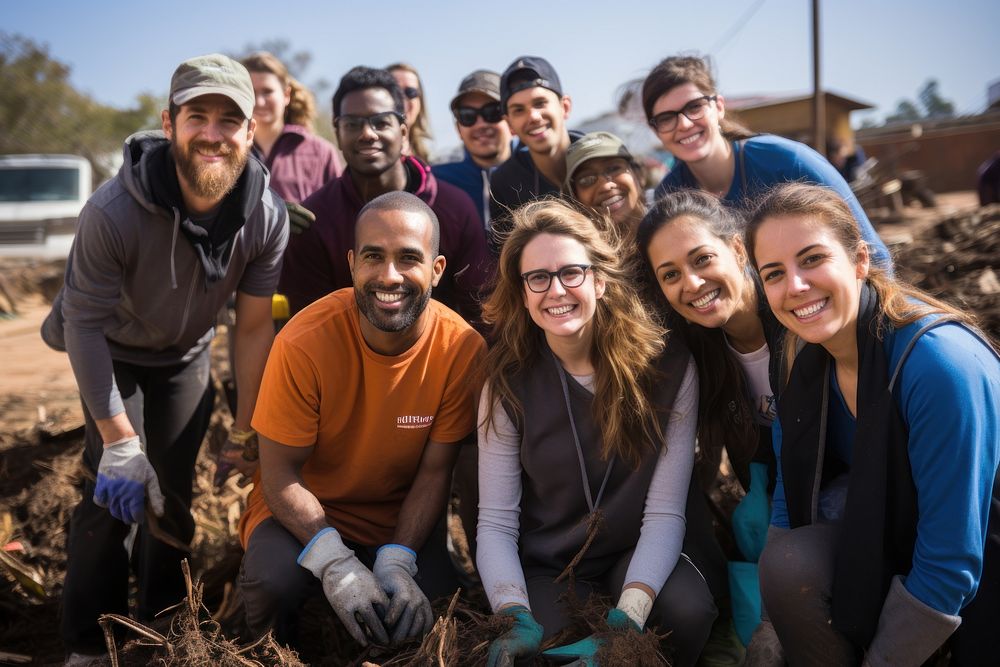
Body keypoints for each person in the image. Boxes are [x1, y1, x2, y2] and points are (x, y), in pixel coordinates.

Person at [40, 54, 288, 664]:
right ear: (169, 122)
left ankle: (162, 630)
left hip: (185, 354)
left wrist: (248, 425)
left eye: (229, 120)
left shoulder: (265, 216)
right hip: (111, 348)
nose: (212, 132)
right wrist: (120, 440)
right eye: (196, 115)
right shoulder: (112, 212)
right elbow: (84, 324)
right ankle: (87, 640)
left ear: (250, 132)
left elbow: (253, 329)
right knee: (113, 487)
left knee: (172, 488)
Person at [744, 183, 999, 666]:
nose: (795, 286)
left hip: (980, 546)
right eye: (774, 273)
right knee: (788, 564)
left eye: (813, 259)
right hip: (895, 526)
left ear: (860, 261)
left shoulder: (937, 364)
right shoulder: (803, 358)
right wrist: (771, 621)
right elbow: (787, 502)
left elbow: (951, 558)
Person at [239, 191, 486, 649]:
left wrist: (398, 559)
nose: (389, 275)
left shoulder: (462, 350)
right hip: (303, 512)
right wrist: (336, 562)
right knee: (272, 585)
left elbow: (435, 473)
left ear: (437, 270)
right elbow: (278, 475)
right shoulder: (303, 342)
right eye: (374, 256)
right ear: (353, 263)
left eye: (408, 258)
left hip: (398, 517)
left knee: (434, 615)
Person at [476, 199, 716, 667]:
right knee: (542, 648)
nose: (556, 290)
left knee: (685, 614)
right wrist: (512, 614)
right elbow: (496, 522)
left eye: (572, 272)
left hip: (642, 545)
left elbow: (665, 513)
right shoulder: (506, 383)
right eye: (537, 278)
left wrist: (629, 619)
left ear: (600, 280)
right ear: (523, 294)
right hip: (555, 562)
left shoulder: (668, 367)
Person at [641, 54, 891, 271]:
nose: (684, 124)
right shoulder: (670, 197)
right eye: (666, 118)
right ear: (655, 131)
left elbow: (874, 257)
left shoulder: (787, 162)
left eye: (694, 107)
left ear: (718, 107)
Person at [278, 66, 490, 321]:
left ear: (402, 131)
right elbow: (310, 325)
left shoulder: (454, 207)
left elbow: (480, 313)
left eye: (381, 122)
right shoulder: (317, 218)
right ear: (338, 132)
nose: (368, 133)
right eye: (353, 124)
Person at [488, 56, 582, 256]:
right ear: (510, 125)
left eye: (540, 103)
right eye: (519, 110)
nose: (533, 116)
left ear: (565, 107)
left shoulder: (602, 159)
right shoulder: (504, 183)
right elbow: (506, 261)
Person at [242, 51, 344, 208]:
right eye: (252, 93)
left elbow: (339, 211)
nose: (260, 101)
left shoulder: (321, 152)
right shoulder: (228, 149)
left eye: (267, 91)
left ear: (286, 94)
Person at [433, 69, 513, 232]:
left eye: (492, 112)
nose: (481, 124)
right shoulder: (437, 183)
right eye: (467, 116)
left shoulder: (538, 172)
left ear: (512, 119)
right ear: (458, 129)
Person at [565, 131, 647, 237]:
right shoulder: (581, 251)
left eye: (614, 169)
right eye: (586, 180)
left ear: (638, 174)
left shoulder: (672, 216)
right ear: (575, 198)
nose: (606, 186)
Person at [388, 63, 433, 163]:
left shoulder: (435, 161)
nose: (403, 100)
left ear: (420, 102)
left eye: (411, 92)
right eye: (395, 92)